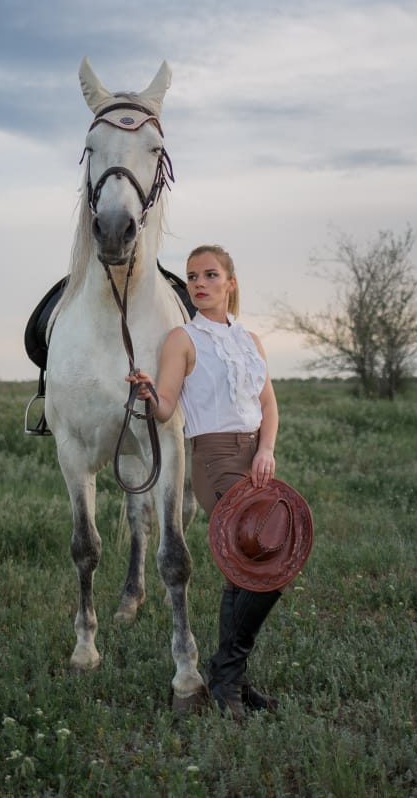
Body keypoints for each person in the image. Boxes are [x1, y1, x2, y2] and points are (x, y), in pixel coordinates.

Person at [127, 243, 284, 719]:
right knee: (265, 572)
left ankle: (226, 678)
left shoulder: (250, 340)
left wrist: (266, 449)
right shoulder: (182, 339)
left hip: (254, 456)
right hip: (214, 461)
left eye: (210, 275)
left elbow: (269, 404)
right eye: (193, 276)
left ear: (230, 283)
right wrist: (149, 394)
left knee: (246, 572)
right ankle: (227, 679)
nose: (199, 283)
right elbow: (168, 409)